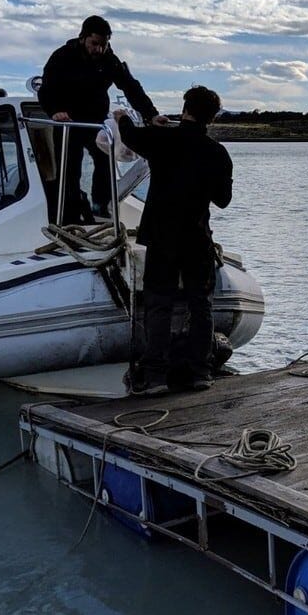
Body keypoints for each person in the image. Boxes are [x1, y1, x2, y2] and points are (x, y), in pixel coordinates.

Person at [115, 85, 231, 393]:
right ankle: (200, 372)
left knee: (159, 303)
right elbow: (223, 200)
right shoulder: (217, 153)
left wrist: (122, 118)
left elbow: (132, 138)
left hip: (162, 235)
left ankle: (155, 375)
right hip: (197, 236)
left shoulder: (163, 140)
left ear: (185, 109)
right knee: (201, 304)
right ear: (212, 117)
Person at [38, 15, 168, 222]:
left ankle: (101, 206)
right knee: (70, 170)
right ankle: (70, 218)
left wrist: (151, 115)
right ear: (83, 38)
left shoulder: (109, 60)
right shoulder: (62, 56)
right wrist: (54, 111)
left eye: (104, 44)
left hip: (97, 122)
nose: (98, 49)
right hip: (68, 122)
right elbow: (46, 90)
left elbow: (131, 87)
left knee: (104, 161)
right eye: (94, 44)